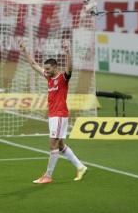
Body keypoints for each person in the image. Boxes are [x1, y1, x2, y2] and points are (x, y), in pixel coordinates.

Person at [19, 39, 88, 184]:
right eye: (46, 69)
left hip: (60, 115)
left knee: (53, 144)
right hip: (53, 115)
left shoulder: (62, 78)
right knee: (61, 145)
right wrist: (25, 50)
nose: (46, 71)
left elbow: (70, 69)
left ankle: (48, 175)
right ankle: (80, 167)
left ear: (55, 68)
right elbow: (33, 65)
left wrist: (68, 52)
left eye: (48, 69)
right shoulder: (48, 77)